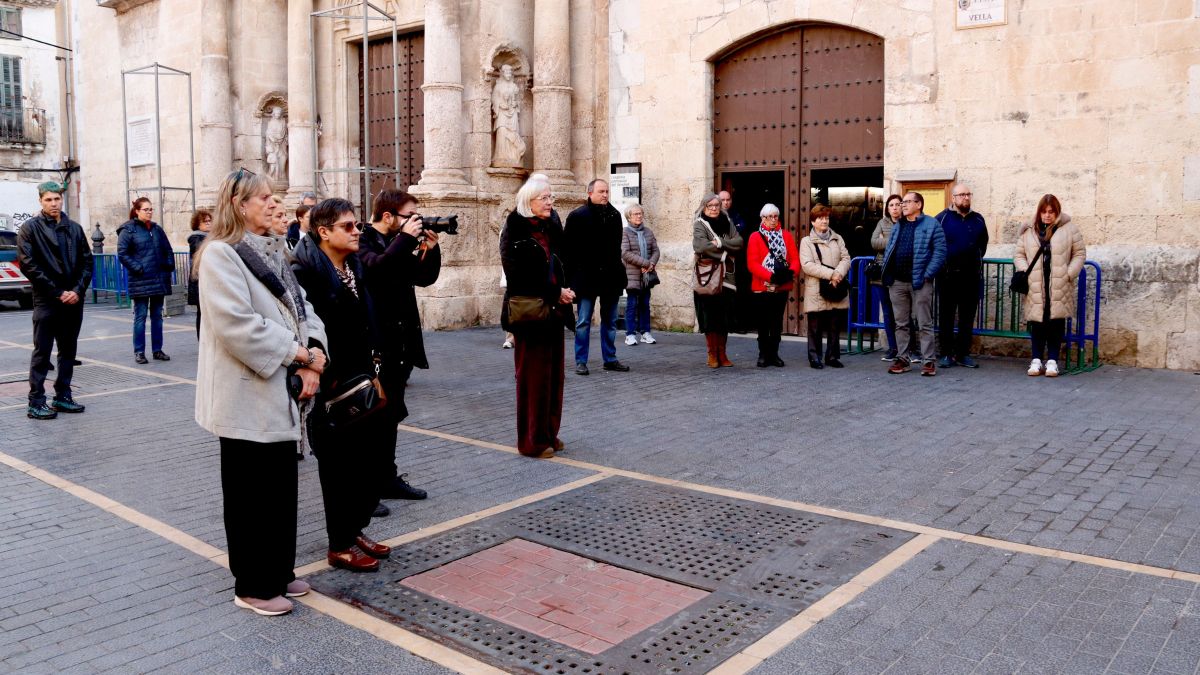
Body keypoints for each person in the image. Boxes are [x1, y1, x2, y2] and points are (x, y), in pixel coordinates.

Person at [194, 168, 327, 616]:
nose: (274, 203)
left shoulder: (276, 249)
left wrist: (317, 352)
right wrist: (299, 355)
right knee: (250, 493)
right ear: (239, 204)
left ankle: (278, 571)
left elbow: (303, 307)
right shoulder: (220, 255)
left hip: (281, 389)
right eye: (265, 198)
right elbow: (239, 326)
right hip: (245, 393)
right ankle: (252, 583)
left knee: (280, 487)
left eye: (274, 197)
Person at [291, 198, 392, 572]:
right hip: (331, 381)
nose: (356, 232)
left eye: (357, 225)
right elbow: (306, 327)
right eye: (348, 226)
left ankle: (355, 529)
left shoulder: (352, 265)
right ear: (324, 232)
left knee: (368, 461)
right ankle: (340, 543)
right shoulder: (305, 271)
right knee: (339, 468)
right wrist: (321, 369)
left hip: (362, 375)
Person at [358, 188, 439, 508]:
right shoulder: (362, 239)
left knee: (390, 415)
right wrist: (405, 239)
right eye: (409, 216)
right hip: (375, 344)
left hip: (400, 343)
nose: (415, 222)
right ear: (388, 216)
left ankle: (387, 479)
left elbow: (422, 279)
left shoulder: (400, 240)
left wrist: (430, 250)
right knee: (371, 419)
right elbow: (375, 271)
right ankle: (366, 487)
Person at [501, 175, 574, 457]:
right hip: (530, 314)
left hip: (554, 312)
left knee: (554, 377)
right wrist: (555, 292)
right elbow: (518, 275)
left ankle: (549, 433)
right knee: (533, 379)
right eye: (544, 198)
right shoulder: (515, 230)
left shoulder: (551, 227)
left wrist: (564, 290)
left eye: (551, 197)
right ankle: (531, 441)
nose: (550, 202)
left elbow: (561, 262)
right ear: (528, 201)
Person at [17, 181, 91, 420]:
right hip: (47, 301)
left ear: (62, 199)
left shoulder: (75, 228)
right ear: (40, 201)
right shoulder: (29, 229)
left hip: (73, 300)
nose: (54, 203)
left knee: (68, 351)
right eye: (48, 199)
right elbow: (29, 266)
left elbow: (87, 262)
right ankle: (36, 401)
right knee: (42, 352)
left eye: (57, 199)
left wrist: (77, 290)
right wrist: (57, 292)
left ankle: (63, 395)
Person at [1014, 194, 1085, 378]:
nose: (1047, 216)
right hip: (1035, 282)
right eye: (1044, 212)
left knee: (1055, 321)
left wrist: (1069, 273)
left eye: (1051, 212)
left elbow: (1079, 253)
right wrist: (1024, 271)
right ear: (1039, 212)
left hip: (1059, 283)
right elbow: (1019, 254)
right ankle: (1036, 359)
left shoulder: (1069, 229)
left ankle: (1052, 360)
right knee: (1037, 321)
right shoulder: (1029, 230)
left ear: (1057, 212)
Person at [564, 179, 629, 375]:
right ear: (590, 192)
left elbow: (616, 248)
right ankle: (581, 360)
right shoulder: (577, 216)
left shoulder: (614, 215)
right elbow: (568, 250)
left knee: (609, 321)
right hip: (586, 277)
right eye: (601, 191)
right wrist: (570, 279)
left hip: (609, 277)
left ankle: (610, 358)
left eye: (607, 191)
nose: (605, 195)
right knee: (583, 321)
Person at [882, 191, 946, 376]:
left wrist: (928, 274)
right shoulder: (898, 225)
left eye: (908, 202)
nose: (903, 205)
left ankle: (928, 361)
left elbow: (940, 252)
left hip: (920, 281)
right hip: (897, 282)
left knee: (924, 322)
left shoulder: (931, 224)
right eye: (903, 202)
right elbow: (890, 248)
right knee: (901, 323)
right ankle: (903, 358)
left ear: (919, 205)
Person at [934, 183, 989, 369]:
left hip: (971, 277)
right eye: (961, 195)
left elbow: (983, 245)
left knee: (967, 317)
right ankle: (946, 354)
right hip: (947, 277)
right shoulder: (941, 219)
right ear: (953, 198)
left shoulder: (978, 219)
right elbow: (935, 246)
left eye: (968, 194)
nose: (966, 198)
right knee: (946, 317)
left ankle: (963, 354)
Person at [117, 197, 175, 364]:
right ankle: (139, 352)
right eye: (146, 209)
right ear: (137, 211)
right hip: (141, 280)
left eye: (151, 209)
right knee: (140, 316)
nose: (149, 212)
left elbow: (168, 249)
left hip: (159, 279)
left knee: (157, 316)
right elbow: (123, 253)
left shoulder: (157, 229)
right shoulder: (128, 230)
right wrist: (138, 268)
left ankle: (157, 350)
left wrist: (169, 265)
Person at [693, 193, 744, 368]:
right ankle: (712, 354)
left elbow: (738, 241)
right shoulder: (699, 224)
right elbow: (701, 246)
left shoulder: (727, 220)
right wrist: (725, 253)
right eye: (710, 206)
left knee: (724, 317)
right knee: (710, 317)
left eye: (717, 205)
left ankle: (723, 353)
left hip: (727, 276)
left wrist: (720, 242)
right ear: (704, 207)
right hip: (708, 276)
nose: (714, 208)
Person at [746, 203, 799, 367]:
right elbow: (752, 264)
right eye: (770, 217)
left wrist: (788, 275)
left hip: (781, 286)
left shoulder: (786, 235)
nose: (774, 220)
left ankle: (774, 354)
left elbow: (795, 259)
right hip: (763, 287)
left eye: (776, 216)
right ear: (763, 218)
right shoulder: (755, 237)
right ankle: (763, 354)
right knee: (763, 322)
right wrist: (771, 277)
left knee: (776, 322)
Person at [799, 204, 850, 369]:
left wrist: (839, 274)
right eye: (820, 218)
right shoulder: (806, 242)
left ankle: (833, 356)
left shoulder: (838, 238)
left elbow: (846, 258)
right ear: (813, 221)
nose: (824, 221)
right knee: (815, 325)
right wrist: (832, 275)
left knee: (835, 324)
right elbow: (807, 265)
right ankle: (815, 357)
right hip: (817, 288)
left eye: (826, 218)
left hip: (835, 285)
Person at [620, 203, 660, 346]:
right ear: (629, 217)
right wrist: (645, 263)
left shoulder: (648, 232)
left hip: (646, 275)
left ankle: (645, 332)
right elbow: (625, 253)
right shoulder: (625, 232)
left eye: (640, 213)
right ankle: (630, 334)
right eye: (635, 214)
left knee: (645, 304)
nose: (639, 216)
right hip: (632, 275)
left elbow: (656, 250)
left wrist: (651, 264)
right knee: (632, 304)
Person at [870, 195, 902, 360]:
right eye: (891, 205)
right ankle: (893, 348)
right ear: (887, 208)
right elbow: (874, 242)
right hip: (883, 274)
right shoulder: (882, 223)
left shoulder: (907, 223)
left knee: (905, 314)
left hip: (902, 274)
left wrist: (886, 240)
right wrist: (894, 241)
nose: (895, 208)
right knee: (888, 313)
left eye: (898, 204)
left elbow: (907, 244)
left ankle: (908, 349)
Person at [721, 190, 755, 333]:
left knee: (738, 293)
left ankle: (738, 324)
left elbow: (741, 232)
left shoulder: (736, 214)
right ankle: (725, 324)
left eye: (728, 199)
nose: (726, 202)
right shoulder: (714, 217)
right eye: (723, 200)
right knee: (723, 294)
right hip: (721, 261)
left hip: (737, 261)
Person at [187, 208, 212, 338]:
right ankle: (202, 341)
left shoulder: (209, 237)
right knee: (202, 314)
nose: (208, 223)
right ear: (198, 224)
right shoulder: (196, 238)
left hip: (207, 281)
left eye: (209, 220)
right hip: (200, 282)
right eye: (205, 221)